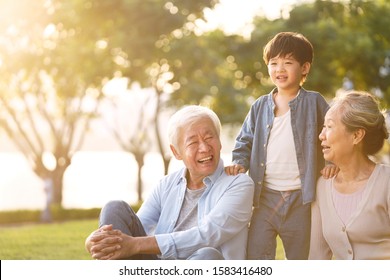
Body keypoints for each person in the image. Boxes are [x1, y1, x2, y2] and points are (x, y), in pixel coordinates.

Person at [85, 105, 255, 260]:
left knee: (207, 255)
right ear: (176, 152)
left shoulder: (239, 184)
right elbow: (136, 229)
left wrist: (134, 245)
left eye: (210, 137)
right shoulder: (166, 185)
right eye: (193, 142)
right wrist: (94, 242)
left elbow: (207, 235)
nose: (204, 148)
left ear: (219, 143)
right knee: (114, 208)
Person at [225, 31, 336, 260]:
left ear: (304, 68)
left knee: (300, 257)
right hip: (265, 197)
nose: (280, 69)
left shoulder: (315, 102)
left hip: (301, 199)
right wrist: (239, 162)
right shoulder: (259, 106)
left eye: (288, 62)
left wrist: (331, 162)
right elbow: (244, 140)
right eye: (274, 63)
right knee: (256, 254)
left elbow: (332, 135)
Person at [309, 91, 390, 260]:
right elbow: (317, 258)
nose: (321, 135)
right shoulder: (323, 186)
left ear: (356, 135)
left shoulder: (386, 181)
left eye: (329, 127)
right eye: (323, 127)